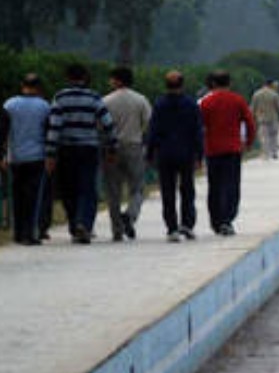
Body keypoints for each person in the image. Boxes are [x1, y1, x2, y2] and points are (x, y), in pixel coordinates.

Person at [46, 64, 117, 244]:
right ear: (85, 78)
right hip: (89, 148)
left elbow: (54, 127)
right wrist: (112, 147)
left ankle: (73, 224)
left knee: (69, 189)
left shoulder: (60, 98)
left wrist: (50, 153)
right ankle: (84, 223)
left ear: (68, 78)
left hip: (66, 149)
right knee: (87, 188)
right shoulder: (93, 97)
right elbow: (108, 123)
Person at [0, 73, 51, 245]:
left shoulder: (10, 105)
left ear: (22, 85)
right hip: (37, 157)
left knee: (17, 195)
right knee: (33, 197)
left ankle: (18, 233)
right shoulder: (44, 106)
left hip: (15, 157)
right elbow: (49, 133)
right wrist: (51, 155)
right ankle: (29, 233)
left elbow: (1, 132)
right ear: (39, 88)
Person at [147, 71, 204, 242]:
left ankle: (172, 228)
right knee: (187, 190)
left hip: (165, 153)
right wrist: (199, 155)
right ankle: (187, 224)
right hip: (186, 153)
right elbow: (197, 131)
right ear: (182, 84)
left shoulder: (159, 104)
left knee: (168, 191)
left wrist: (150, 153)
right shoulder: (190, 104)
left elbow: (153, 131)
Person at [200, 71, 256, 237]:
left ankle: (216, 221)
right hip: (232, 149)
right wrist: (249, 142)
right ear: (229, 83)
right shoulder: (237, 100)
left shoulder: (206, 102)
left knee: (214, 186)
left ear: (213, 84)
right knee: (231, 185)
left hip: (212, 149)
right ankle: (227, 219)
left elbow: (199, 126)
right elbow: (250, 122)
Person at [102, 67, 152, 242]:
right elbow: (148, 122)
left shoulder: (106, 101)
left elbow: (100, 125)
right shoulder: (141, 100)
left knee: (113, 190)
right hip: (134, 145)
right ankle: (130, 215)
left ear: (117, 81)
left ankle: (117, 230)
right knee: (137, 187)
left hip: (111, 148)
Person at [250, 79, 279, 160]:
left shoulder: (256, 94)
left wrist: (253, 116)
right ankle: (274, 152)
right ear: (271, 85)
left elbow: (252, 107)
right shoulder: (274, 94)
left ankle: (265, 154)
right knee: (273, 136)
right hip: (273, 118)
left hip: (261, 118)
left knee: (264, 137)